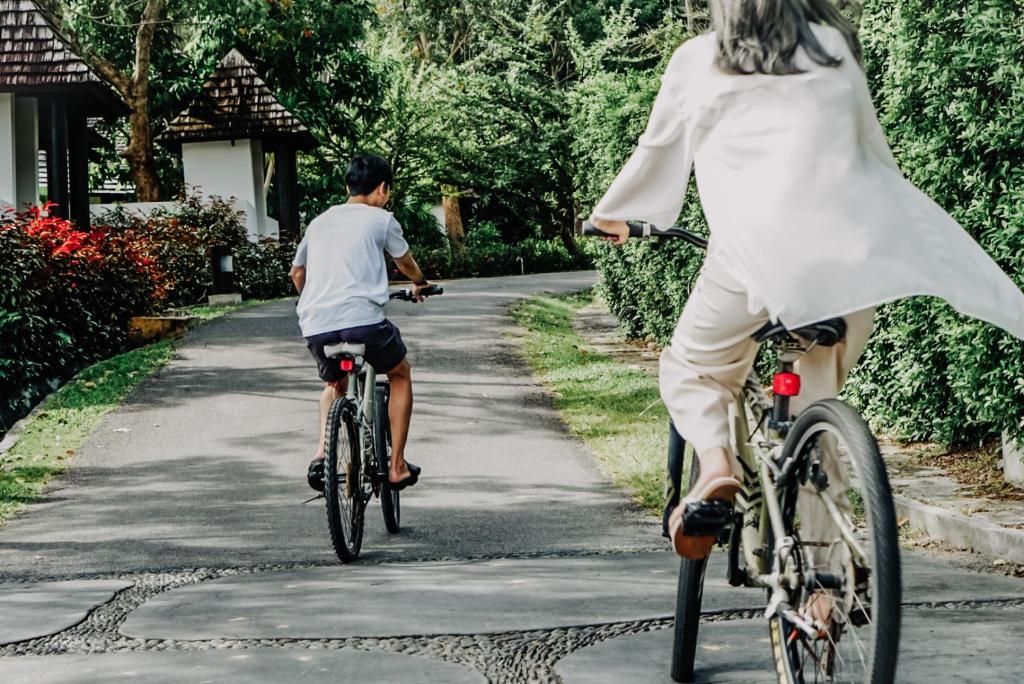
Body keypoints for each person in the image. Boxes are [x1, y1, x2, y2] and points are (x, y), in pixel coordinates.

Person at [590, 0, 1024, 599]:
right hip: (850, 260)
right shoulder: (834, 51)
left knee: (694, 368)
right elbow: (874, 157)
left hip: (751, 261)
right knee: (814, 412)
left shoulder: (699, 59)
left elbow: (658, 150)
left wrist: (613, 214)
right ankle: (826, 590)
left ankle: (715, 466)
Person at [291, 154, 432, 493]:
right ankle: (397, 466)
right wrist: (420, 282)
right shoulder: (381, 220)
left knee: (334, 384)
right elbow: (404, 262)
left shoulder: (318, 223)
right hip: (364, 324)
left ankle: (322, 453)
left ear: (347, 187)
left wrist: (316, 300)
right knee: (400, 373)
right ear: (383, 188)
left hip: (316, 324)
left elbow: (297, 273)